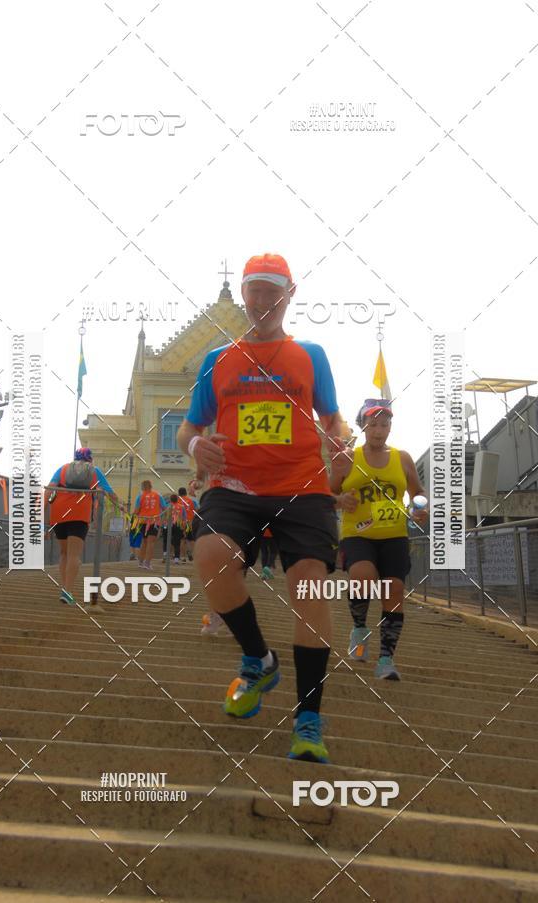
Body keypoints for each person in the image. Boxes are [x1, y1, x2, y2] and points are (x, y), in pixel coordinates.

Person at [177, 252, 350, 763]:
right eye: (253, 289)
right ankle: (258, 658)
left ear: (289, 295)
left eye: (272, 289)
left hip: (303, 486)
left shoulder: (311, 355)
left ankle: (308, 717)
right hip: (235, 486)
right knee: (209, 558)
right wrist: (193, 448)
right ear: (245, 295)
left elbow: (334, 419)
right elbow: (190, 426)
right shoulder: (218, 358)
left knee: (310, 584)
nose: (261, 299)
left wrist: (337, 442)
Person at [331, 399, 428, 680]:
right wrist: (340, 499)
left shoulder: (403, 458)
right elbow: (325, 495)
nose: (379, 430)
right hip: (357, 534)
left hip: (395, 534)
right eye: (373, 424)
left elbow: (418, 492)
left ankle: (386, 659)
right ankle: (360, 628)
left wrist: (420, 508)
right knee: (362, 575)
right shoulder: (349, 457)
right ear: (363, 426)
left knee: (394, 589)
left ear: (390, 427)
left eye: (384, 424)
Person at [45, 447, 121, 608]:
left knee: (64, 553)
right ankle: (67, 592)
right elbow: (110, 493)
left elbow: (48, 490)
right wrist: (121, 506)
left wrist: (39, 520)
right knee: (74, 555)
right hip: (79, 515)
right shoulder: (94, 471)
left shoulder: (63, 469)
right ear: (90, 459)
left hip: (59, 514)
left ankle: (65, 589)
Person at [131, 480, 168, 570]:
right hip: (154, 521)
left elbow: (136, 510)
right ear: (151, 486)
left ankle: (140, 562)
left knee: (144, 541)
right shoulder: (158, 495)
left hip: (143, 521)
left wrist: (133, 519)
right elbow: (165, 508)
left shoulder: (140, 496)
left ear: (143, 487)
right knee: (151, 543)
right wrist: (163, 519)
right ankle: (147, 563)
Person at [161, 493, 183, 564]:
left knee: (166, 540)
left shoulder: (167, 506)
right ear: (177, 500)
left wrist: (163, 526)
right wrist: (183, 528)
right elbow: (184, 518)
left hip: (167, 525)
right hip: (178, 525)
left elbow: (164, 517)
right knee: (177, 543)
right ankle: (176, 559)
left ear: (170, 500)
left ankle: (165, 555)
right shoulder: (181, 507)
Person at [178, 486, 198, 562]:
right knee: (192, 539)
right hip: (190, 522)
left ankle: (183, 557)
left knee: (182, 540)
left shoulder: (178, 501)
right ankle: (194, 555)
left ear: (179, 493)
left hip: (181, 523)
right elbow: (197, 511)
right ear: (186, 493)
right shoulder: (191, 501)